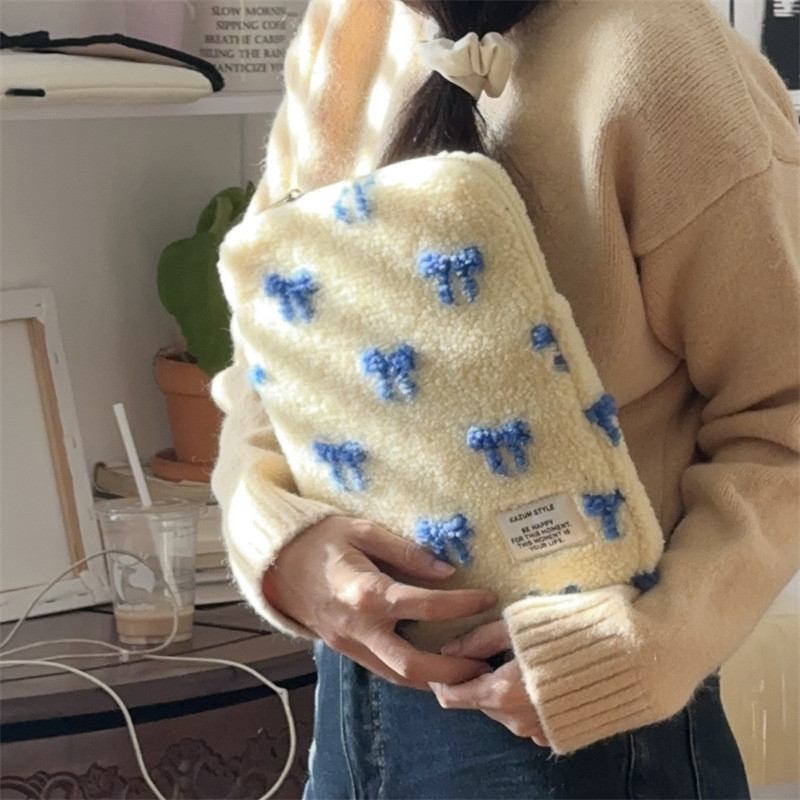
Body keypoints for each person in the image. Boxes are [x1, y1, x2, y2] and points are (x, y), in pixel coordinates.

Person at [211, 1, 800, 797]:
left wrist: (642, 647)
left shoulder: (664, 58)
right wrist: (279, 541)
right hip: (351, 712)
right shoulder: (347, 24)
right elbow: (271, 339)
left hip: (586, 732)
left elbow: (784, 416)